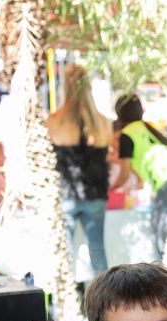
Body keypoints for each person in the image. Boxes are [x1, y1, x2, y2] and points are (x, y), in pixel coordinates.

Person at [45, 64, 113, 276]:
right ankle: (105, 304)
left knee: (65, 254)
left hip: (65, 193)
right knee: (98, 250)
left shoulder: (55, 120)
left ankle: (67, 303)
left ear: (64, 86)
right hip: (96, 193)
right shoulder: (102, 122)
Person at [113, 93, 167, 259]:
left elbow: (124, 173)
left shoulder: (126, 135)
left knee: (160, 240)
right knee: (161, 236)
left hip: (164, 185)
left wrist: (109, 188)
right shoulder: (143, 127)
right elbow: (138, 161)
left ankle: (163, 278)